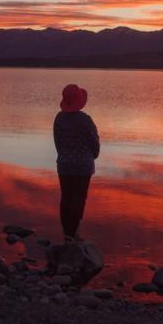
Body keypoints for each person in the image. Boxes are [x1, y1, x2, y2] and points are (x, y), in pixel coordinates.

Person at [53, 84, 100, 242]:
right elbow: (94, 142)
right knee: (79, 199)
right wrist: (93, 155)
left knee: (66, 198)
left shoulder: (59, 118)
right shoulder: (85, 120)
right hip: (83, 166)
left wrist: (65, 155)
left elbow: (57, 142)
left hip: (65, 164)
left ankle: (68, 233)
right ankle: (73, 234)